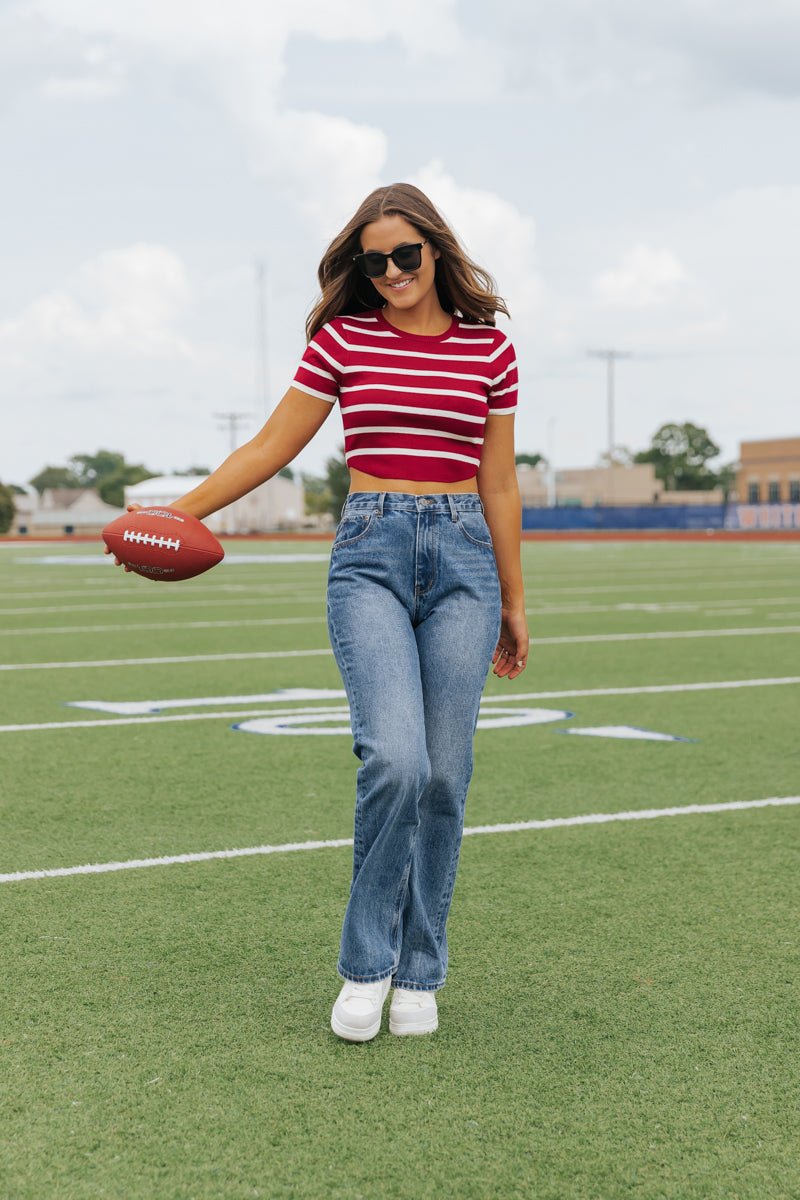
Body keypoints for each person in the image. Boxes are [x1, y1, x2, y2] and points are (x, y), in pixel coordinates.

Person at [112, 182, 529, 1042]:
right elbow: (271, 446)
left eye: (404, 255)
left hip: (464, 563)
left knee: (446, 780)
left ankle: (421, 972)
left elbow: (499, 481)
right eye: (372, 262)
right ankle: (366, 964)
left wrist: (516, 601)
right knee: (396, 763)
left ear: (437, 251)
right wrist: (179, 513)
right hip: (370, 554)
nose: (389, 273)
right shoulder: (342, 340)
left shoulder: (490, 351)